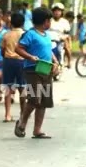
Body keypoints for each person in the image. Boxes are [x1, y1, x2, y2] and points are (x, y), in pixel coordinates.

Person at [14, 7, 59, 139]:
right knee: (34, 99)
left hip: (46, 69)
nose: (50, 23)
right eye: (49, 20)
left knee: (44, 101)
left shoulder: (47, 35)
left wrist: (55, 61)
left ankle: (37, 130)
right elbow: (18, 48)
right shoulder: (30, 34)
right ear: (45, 21)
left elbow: (48, 50)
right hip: (32, 70)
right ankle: (22, 122)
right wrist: (30, 57)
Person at [1, 13, 26, 122]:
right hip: (21, 61)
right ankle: (23, 114)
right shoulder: (25, 34)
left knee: (8, 88)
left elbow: (2, 50)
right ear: (23, 23)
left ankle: (7, 115)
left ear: (11, 23)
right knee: (22, 87)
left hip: (8, 61)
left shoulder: (6, 34)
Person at [48, 3, 72, 68]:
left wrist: (63, 37)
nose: (57, 12)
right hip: (48, 40)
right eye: (55, 11)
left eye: (59, 11)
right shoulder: (49, 20)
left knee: (60, 50)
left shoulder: (65, 22)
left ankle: (67, 61)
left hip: (59, 40)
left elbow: (67, 33)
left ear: (61, 12)